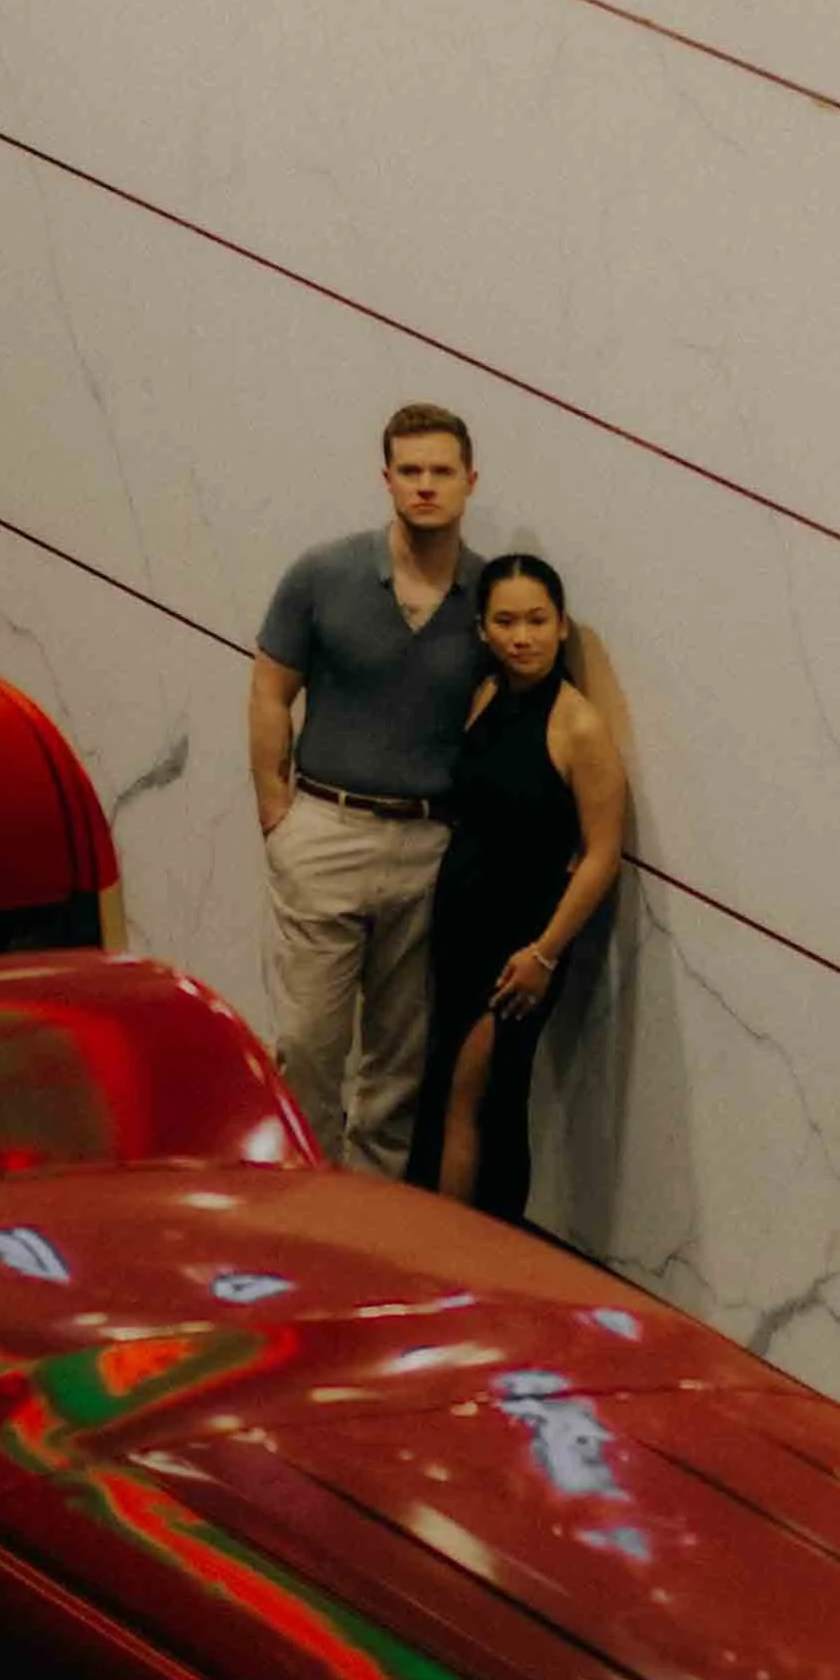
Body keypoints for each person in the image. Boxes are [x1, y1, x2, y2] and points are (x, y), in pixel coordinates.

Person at [249, 406, 486, 1171]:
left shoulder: (489, 596)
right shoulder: (324, 574)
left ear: (469, 482)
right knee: (308, 1048)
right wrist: (275, 811)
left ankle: (367, 1233)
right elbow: (269, 690)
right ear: (386, 478)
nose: (425, 487)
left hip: (427, 847)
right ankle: (300, 1213)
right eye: (410, 471)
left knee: (397, 1069)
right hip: (325, 830)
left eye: (441, 472)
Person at [405, 553, 627, 1222]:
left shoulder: (578, 725)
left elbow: (601, 855)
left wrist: (545, 953)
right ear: (482, 630)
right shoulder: (485, 695)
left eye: (537, 620)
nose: (521, 636)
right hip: (459, 928)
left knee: (480, 1104)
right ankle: (446, 1259)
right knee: (451, 1093)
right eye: (505, 621)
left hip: (522, 944)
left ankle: (471, 1264)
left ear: (562, 628)